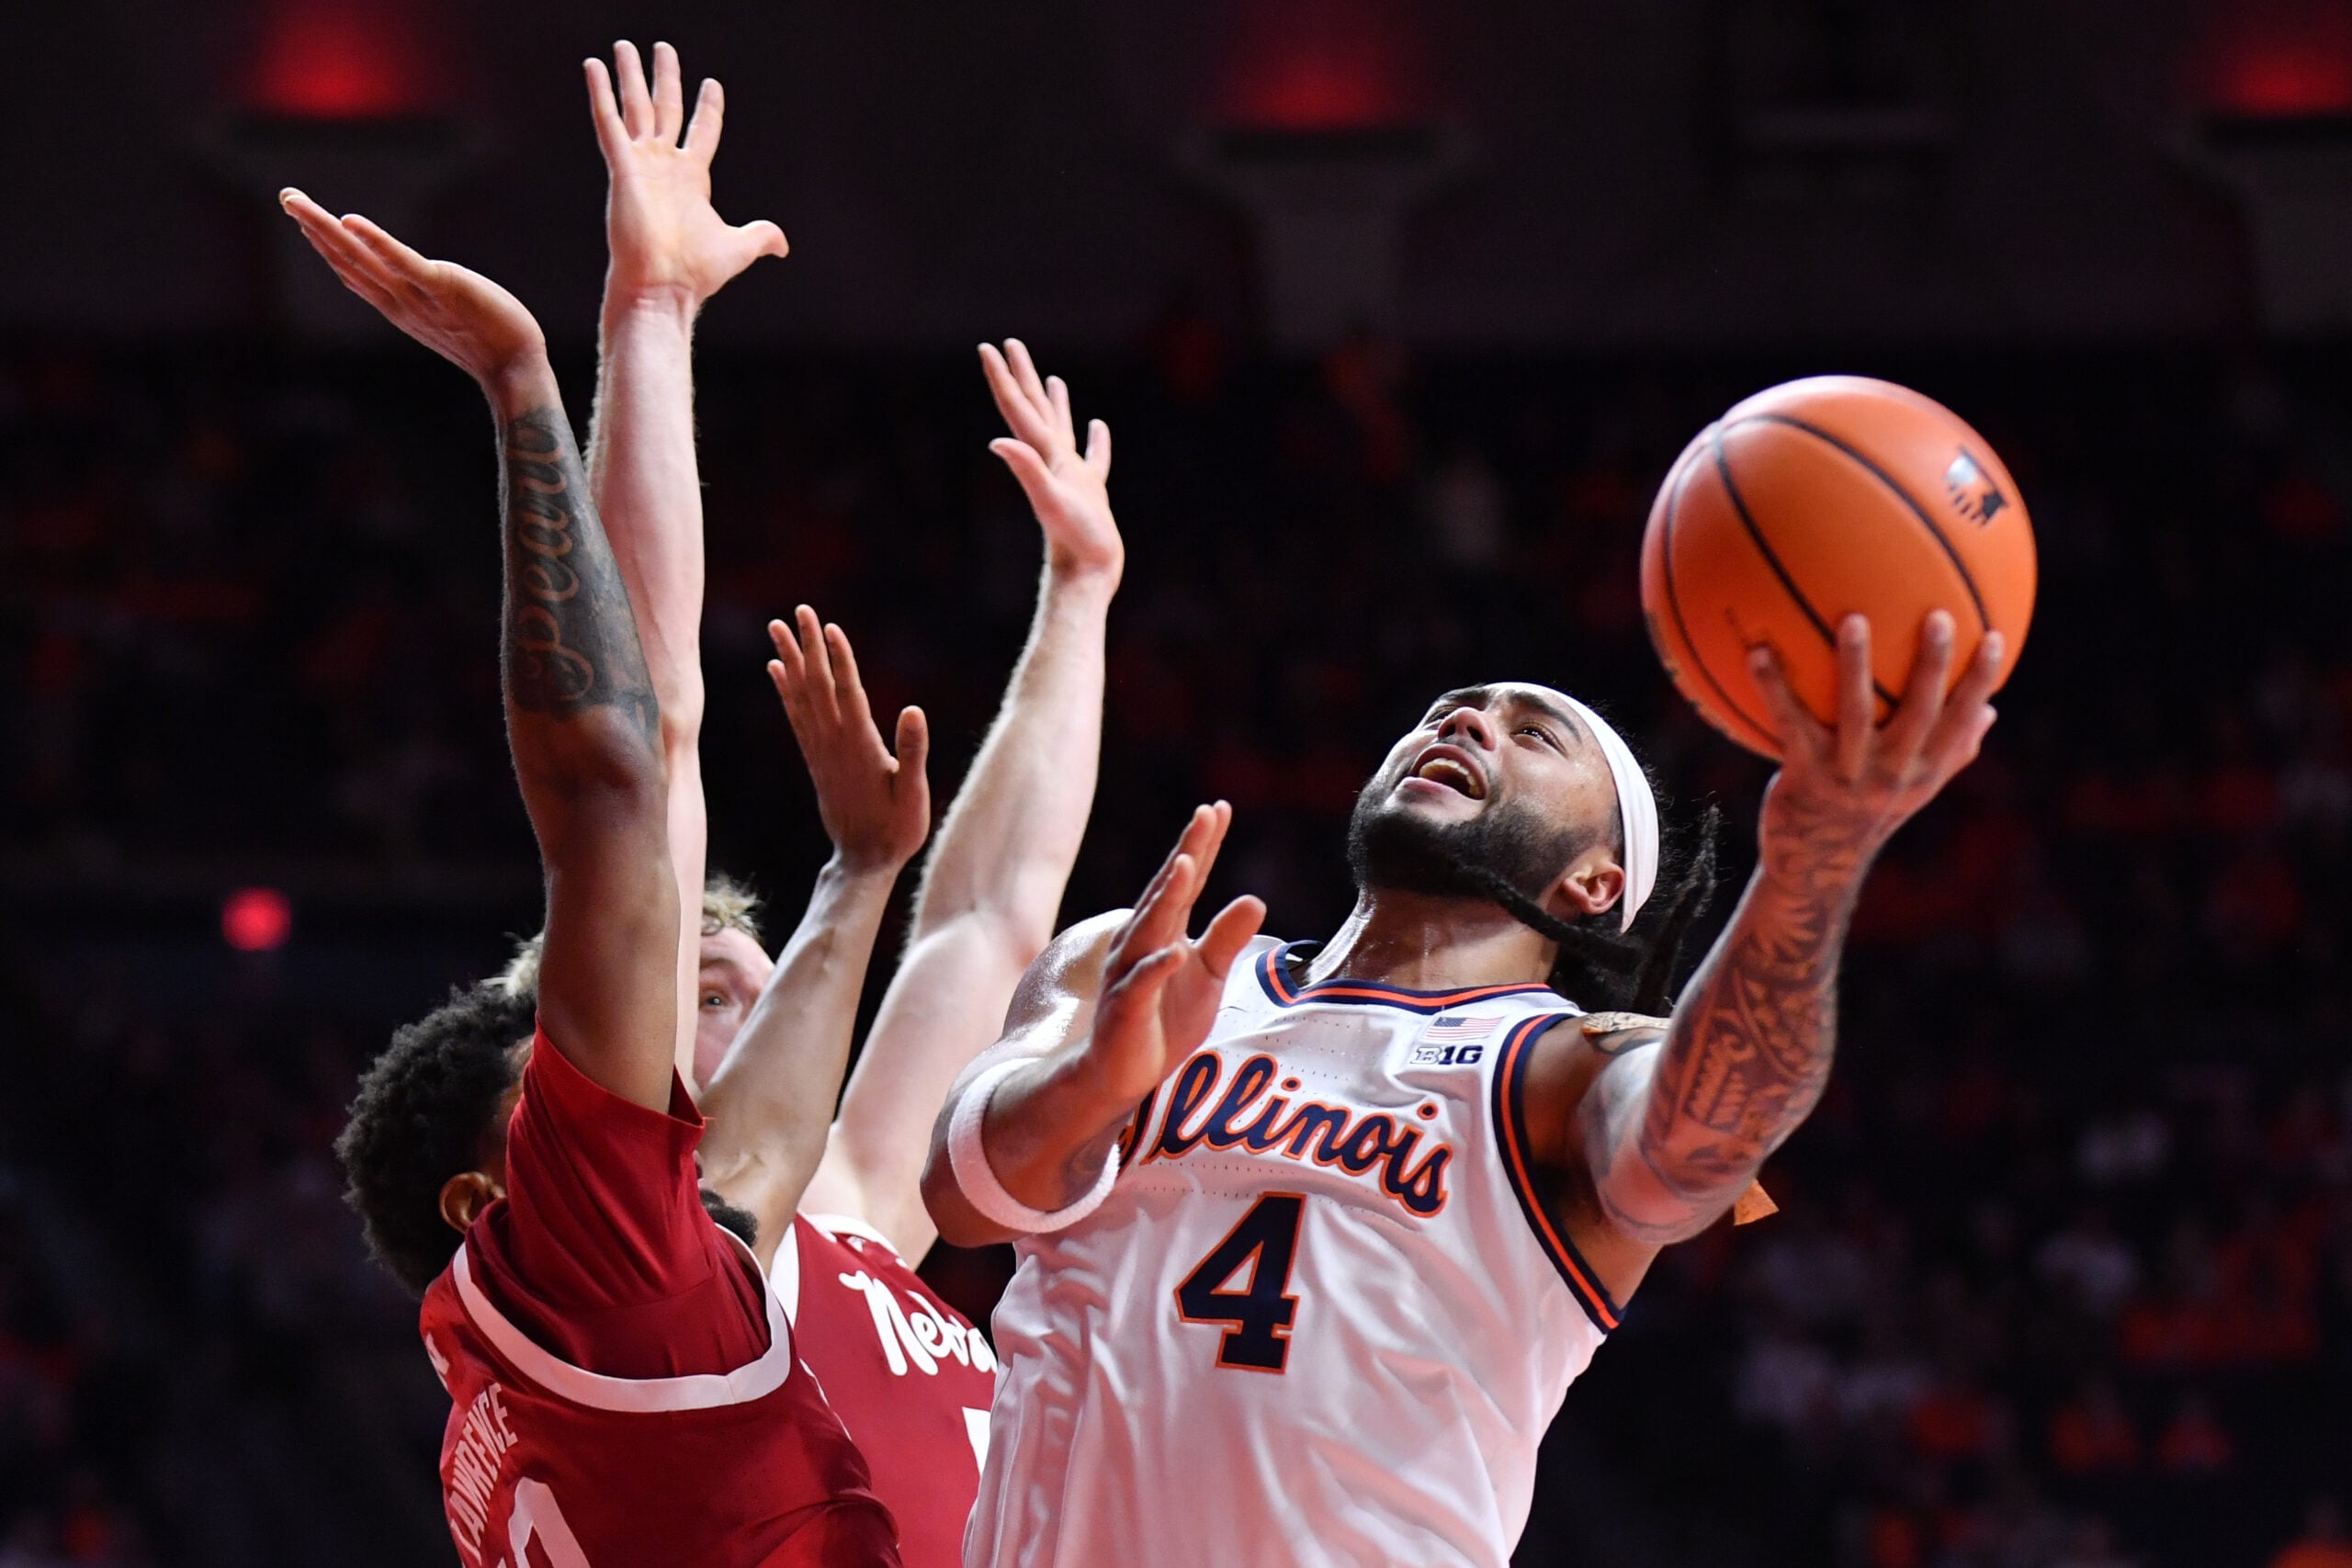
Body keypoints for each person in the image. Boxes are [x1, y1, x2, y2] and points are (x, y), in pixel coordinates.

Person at [924, 611, 2006, 1565]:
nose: (1465, 724)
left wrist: (1815, 857)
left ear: (1596, 882)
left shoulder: (1562, 1067)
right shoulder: (1135, 965)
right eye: (1449, 710)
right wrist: (1094, 1083)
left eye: (1531, 733)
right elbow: (963, 1199)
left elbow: (1699, 1147)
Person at [495, 42, 1125, 1565]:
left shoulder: (834, 1207)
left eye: (756, 971)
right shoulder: (654, 1267)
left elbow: (984, 916)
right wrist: (646, 318)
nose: (761, 989)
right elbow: (651, 740)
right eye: (707, 982)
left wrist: (1083, 592)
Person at [283, 194, 899, 1564]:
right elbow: (617, 778)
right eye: (549, 1081)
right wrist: (518, 384)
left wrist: (858, 877)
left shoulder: (510, 1388)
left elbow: (750, 1152)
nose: (625, 1066)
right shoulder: (591, 1259)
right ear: (481, 1192)